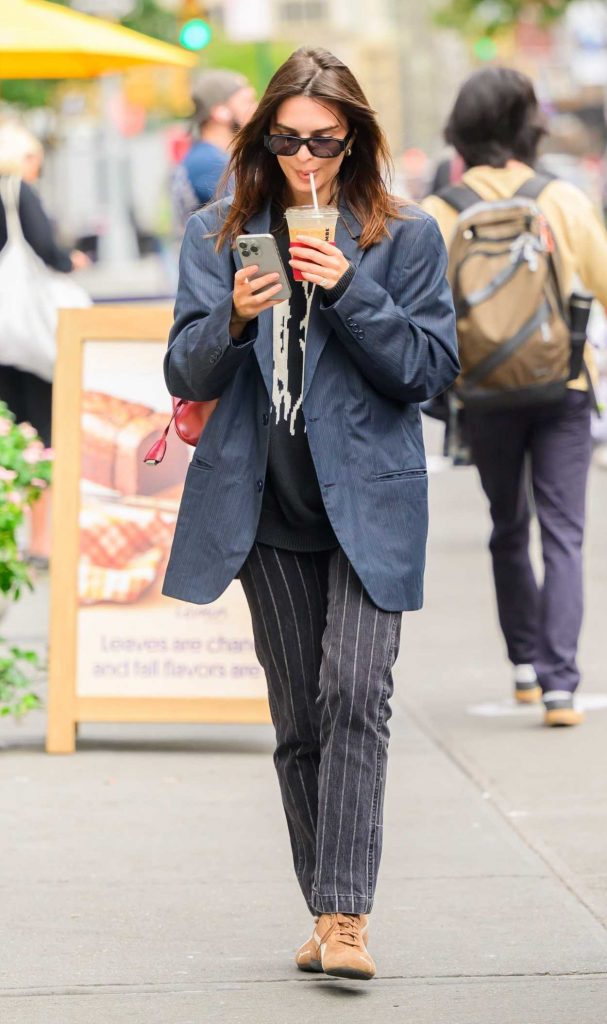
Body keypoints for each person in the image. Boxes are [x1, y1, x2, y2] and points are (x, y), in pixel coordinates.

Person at [163, 47, 458, 980]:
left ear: (355, 139)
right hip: (268, 513)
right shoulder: (219, 232)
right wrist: (235, 320)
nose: (304, 159)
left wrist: (347, 287)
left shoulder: (402, 237)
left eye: (324, 142)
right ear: (261, 140)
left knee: (354, 695)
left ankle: (344, 921)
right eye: (286, 140)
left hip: (369, 509)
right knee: (298, 722)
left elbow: (426, 371)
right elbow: (184, 369)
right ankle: (324, 906)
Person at [423, 67, 607, 727]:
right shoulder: (560, 198)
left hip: (482, 392)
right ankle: (561, 686)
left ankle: (524, 668)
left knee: (507, 528)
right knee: (563, 533)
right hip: (563, 388)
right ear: (528, 126)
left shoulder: (440, 209)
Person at [0, 120, 89, 565]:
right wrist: (70, 260)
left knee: (11, 435)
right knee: (42, 434)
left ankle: (15, 536)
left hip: (3, 338)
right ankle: (41, 541)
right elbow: (46, 251)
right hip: (31, 340)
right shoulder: (17, 192)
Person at [171, 69, 257, 234]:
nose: (255, 109)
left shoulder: (208, 155)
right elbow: (248, 216)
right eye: (247, 102)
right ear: (220, 112)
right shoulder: (209, 162)